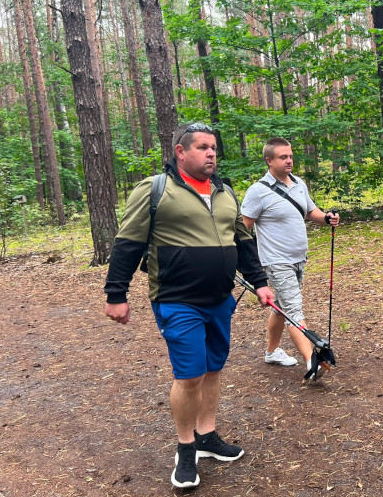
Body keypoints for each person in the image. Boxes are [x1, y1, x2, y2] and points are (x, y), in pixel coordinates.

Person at [104, 122, 274, 489]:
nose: (211, 153)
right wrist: (115, 294)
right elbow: (128, 243)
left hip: (220, 299)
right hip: (177, 300)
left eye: (213, 147)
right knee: (190, 374)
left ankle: (207, 436)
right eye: (201, 147)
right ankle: (186, 449)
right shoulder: (155, 189)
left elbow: (243, 242)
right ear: (180, 152)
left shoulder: (225, 192)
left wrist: (260, 283)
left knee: (213, 369)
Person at [240, 137, 340, 381]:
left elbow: (309, 211)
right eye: (283, 157)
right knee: (294, 311)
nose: (289, 160)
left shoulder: (298, 183)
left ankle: (272, 352)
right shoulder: (258, 191)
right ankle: (311, 361)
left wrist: (326, 218)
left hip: (298, 259)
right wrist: (245, 261)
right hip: (275, 261)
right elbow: (243, 228)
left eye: (290, 156)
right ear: (269, 160)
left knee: (283, 307)